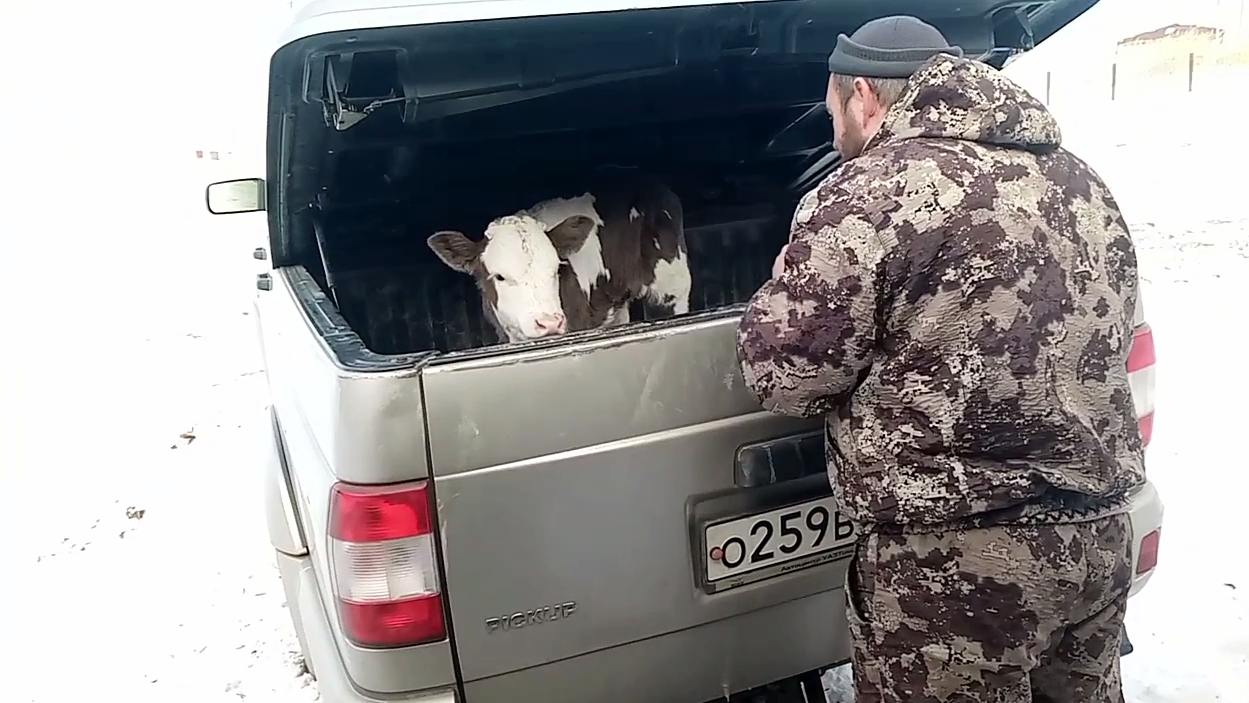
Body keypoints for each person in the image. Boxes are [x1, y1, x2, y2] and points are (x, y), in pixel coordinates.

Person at [736, 15, 1145, 703]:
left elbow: (785, 377)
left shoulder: (865, 194)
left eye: (832, 111)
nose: (833, 134)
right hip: (1096, 541)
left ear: (864, 95)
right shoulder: (1080, 181)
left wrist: (772, 296)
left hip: (953, 570)